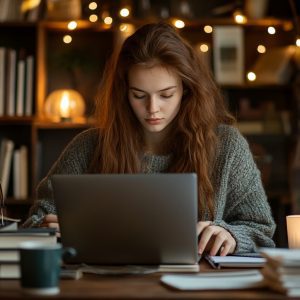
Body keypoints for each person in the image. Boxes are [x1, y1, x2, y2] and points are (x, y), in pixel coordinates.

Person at [23, 22, 276, 256]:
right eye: (139, 95)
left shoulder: (227, 146)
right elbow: (35, 221)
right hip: (102, 283)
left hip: (198, 285)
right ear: (124, 93)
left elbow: (261, 230)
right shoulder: (89, 146)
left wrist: (232, 234)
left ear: (186, 90)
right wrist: (49, 230)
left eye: (166, 95)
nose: (152, 108)